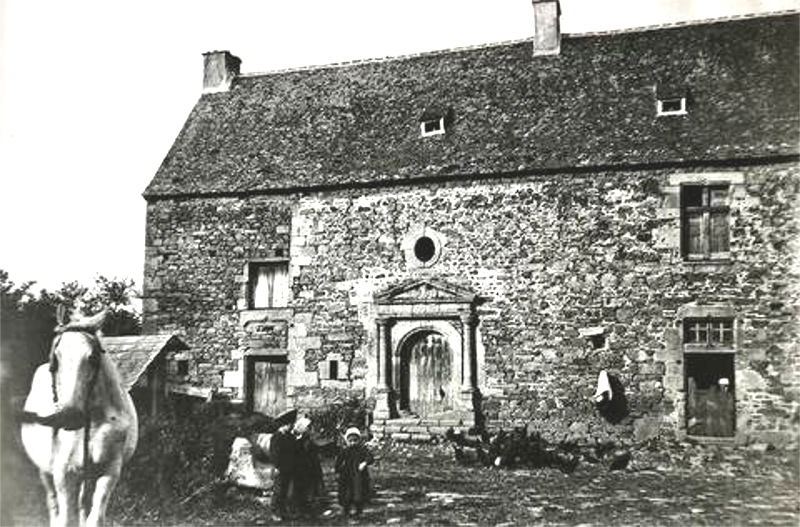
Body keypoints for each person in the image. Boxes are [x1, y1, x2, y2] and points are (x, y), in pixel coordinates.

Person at [335, 427, 374, 517]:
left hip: (359, 475)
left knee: (359, 492)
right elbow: (339, 461)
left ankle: (359, 510)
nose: (353, 443)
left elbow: (370, 458)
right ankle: (346, 510)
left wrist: (364, 463)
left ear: (359, 440)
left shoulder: (362, 449)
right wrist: (338, 470)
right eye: (350, 441)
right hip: (347, 475)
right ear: (347, 441)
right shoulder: (345, 450)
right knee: (346, 493)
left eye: (355, 440)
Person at [291, 416, 324, 516]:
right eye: (308, 428)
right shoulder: (297, 442)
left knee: (311, 489)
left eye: (310, 428)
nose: (310, 430)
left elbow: (315, 456)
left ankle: (308, 508)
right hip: (301, 470)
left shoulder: (311, 442)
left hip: (311, 469)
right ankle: (300, 508)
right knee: (301, 489)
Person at [269, 420, 298, 520]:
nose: (291, 427)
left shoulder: (290, 436)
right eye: (289, 425)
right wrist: (276, 466)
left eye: (291, 425)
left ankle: (283, 511)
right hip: (279, 467)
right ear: (283, 425)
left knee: (285, 490)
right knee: (278, 490)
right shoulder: (276, 436)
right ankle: (275, 512)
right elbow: (274, 453)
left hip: (289, 466)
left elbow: (294, 450)